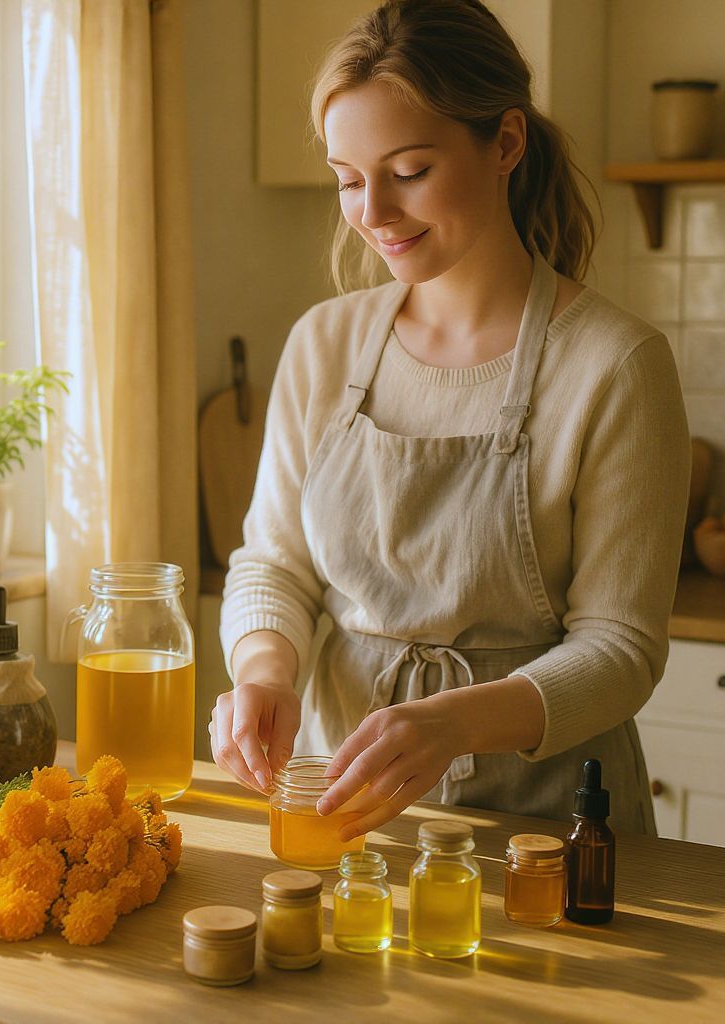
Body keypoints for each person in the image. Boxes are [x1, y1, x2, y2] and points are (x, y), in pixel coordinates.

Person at [210, 0, 690, 839]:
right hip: (348, 812)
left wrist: (456, 724)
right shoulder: (325, 344)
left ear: (506, 143)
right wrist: (264, 669)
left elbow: (621, 649)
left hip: (546, 830)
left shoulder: (615, 364)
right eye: (350, 180)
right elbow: (273, 562)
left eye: (409, 170)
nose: (374, 213)